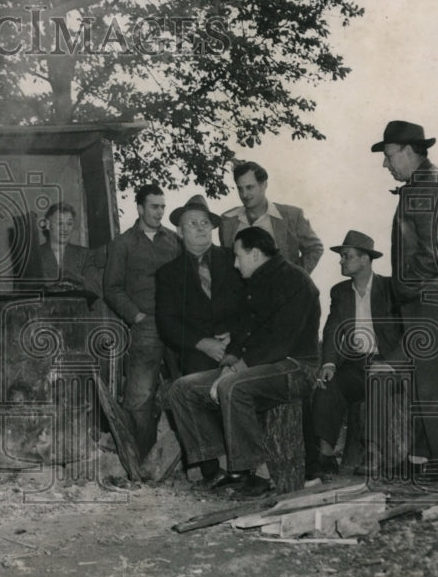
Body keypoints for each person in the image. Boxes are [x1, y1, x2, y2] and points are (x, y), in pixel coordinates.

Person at [168, 227, 321, 497]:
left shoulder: (294, 281)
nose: (236, 265)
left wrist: (236, 369)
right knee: (182, 389)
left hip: (297, 368)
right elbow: (242, 330)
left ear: (255, 254)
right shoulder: (256, 281)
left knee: (233, 387)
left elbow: (280, 342)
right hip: (262, 367)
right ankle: (219, 468)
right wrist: (229, 361)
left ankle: (256, 474)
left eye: (238, 257)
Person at [374, 120, 438, 482]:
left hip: (436, 292)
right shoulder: (423, 185)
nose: (386, 165)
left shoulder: (427, 190)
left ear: (408, 151)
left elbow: (432, 256)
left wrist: (402, 288)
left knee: (435, 381)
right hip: (431, 292)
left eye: (388, 157)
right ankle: (426, 458)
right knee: (426, 377)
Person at [311, 231, 404, 478]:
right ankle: (326, 456)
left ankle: (373, 454)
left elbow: (409, 331)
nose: (341, 261)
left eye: (346, 256)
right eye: (342, 256)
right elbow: (331, 329)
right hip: (354, 366)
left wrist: (390, 362)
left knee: (378, 380)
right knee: (328, 387)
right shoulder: (340, 292)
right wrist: (329, 362)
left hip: (389, 366)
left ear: (365, 259)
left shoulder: (390, 288)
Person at [103, 184, 181, 466]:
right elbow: (111, 288)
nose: (160, 212)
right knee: (139, 395)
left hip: (178, 326)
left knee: (185, 386)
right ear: (139, 208)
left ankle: (184, 463)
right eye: (154, 206)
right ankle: (137, 461)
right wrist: (135, 316)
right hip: (146, 325)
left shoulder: (174, 241)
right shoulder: (122, 244)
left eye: (162, 206)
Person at [155, 195, 245, 377]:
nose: (200, 228)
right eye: (193, 223)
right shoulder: (168, 273)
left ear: (212, 227)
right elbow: (167, 322)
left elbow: (254, 305)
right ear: (180, 232)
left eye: (205, 222)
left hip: (240, 346)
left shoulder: (235, 259)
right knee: (197, 384)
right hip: (197, 353)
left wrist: (235, 337)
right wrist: (203, 343)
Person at [219, 161, 324, 273]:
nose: (244, 195)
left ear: (264, 185)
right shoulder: (227, 220)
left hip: (280, 289)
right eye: (240, 189)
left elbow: (315, 248)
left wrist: (294, 278)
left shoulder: (291, 216)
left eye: (249, 187)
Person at [29, 202, 102, 295]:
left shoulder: (85, 255)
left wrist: (71, 280)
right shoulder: (34, 256)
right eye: (60, 223)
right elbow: (29, 291)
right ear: (47, 225)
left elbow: (94, 289)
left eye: (69, 223)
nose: (65, 228)